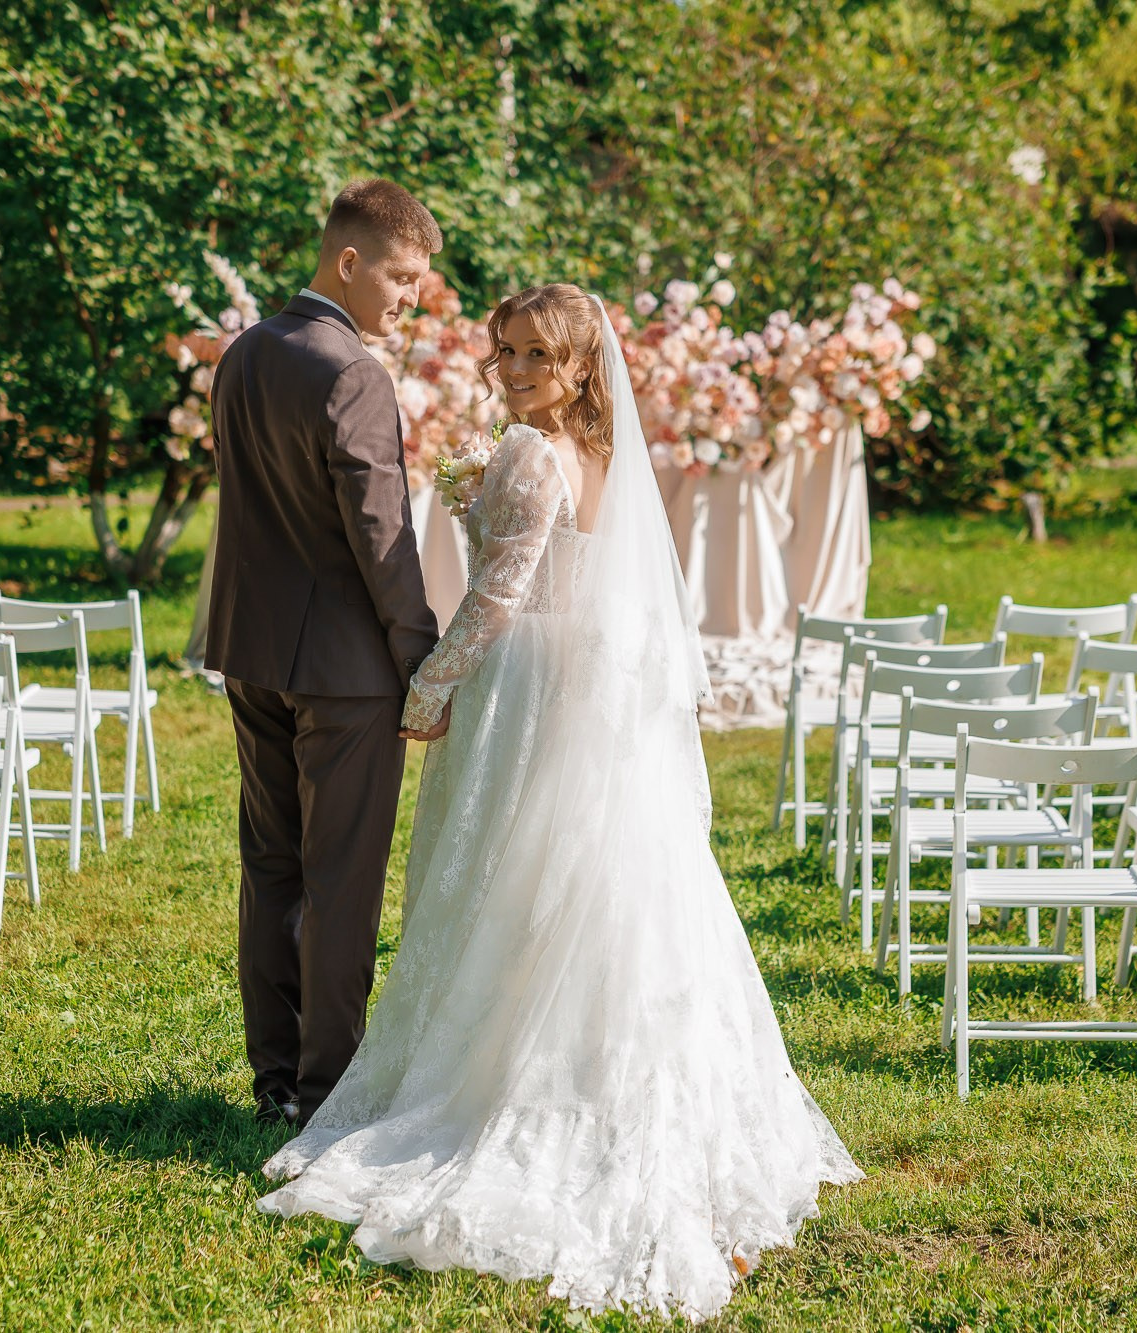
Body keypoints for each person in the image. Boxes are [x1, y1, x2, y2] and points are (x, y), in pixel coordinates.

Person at [257, 283, 861, 1321]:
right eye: (507, 352)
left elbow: (501, 589)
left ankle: (511, 1073)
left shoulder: (532, 452)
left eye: (541, 356)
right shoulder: (600, 456)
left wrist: (432, 681)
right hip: (583, 678)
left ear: (583, 368)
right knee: (568, 877)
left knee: (513, 878)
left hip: (529, 683)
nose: (519, 371)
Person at [204, 180, 445, 1128]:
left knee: (271, 867)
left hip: (251, 650)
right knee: (341, 879)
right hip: (343, 672)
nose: (412, 298)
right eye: (402, 276)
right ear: (350, 262)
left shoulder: (245, 353)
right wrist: (423, 660)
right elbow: (383, 537)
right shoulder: (354, 372)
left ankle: (274, 1081)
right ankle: (326, 1090)